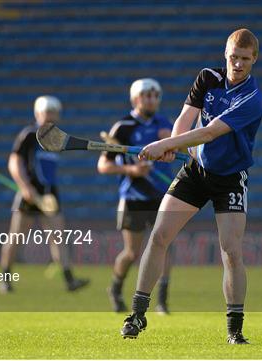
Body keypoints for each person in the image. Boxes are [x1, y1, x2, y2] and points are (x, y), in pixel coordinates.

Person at [120, 29, 262, 344]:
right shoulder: (208, 78)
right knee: (158, 237)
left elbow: (210, 133)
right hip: (197, 171)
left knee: (231, 250)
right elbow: (186, 120)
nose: (237, 64)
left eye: (244, 59)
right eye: (232, 57)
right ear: (225, 54)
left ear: (254, 59)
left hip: (230, 178)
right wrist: (172, 145)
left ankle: (234, 330)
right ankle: (137, 314)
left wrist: (164, 144)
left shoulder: (252, 98)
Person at [97, 78, 175, 314]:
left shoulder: (165, 125)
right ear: (135, 99)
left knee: (164, 248)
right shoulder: (123, 127)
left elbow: (182, 151)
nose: (151, 100)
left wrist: (171, 140)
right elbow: (103, 165)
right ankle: (115, 288)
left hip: (162, 195)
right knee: (132, 252)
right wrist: (131, 170)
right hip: (133, 198)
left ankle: (161, 302)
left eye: (155, 96)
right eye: (146, 96)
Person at [0, 95, 89, 293]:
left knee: (58, 237)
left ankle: (69, 280)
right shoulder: (29, 134)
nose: (51, 116)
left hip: (50, 194)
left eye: (54, 112)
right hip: (29, 193)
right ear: (38, 113)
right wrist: (24, 187)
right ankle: (5, 277)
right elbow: (14, 162)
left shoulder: (56, 137)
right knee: (16, 237)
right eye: (47, 112)